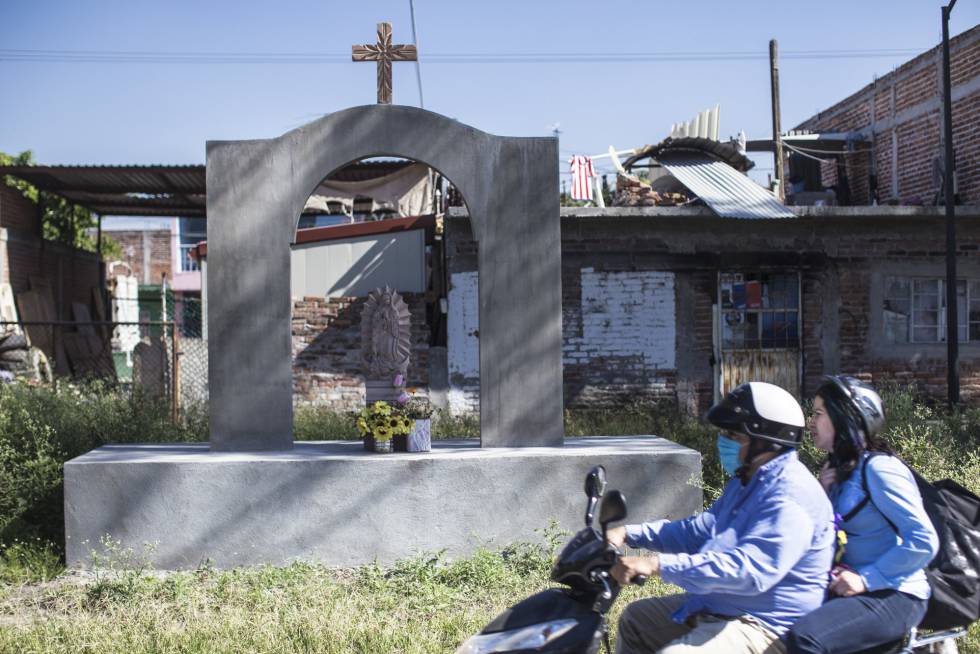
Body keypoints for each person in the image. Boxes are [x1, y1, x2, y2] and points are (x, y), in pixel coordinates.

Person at [609, 381, 835, 654]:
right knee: (638, 620)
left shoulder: (789, 495)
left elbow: (749, 570)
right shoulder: (747, 481)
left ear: (766, 441)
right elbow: (699, 532)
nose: (723, 441)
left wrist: (658, 565)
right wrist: (629, 534)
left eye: (734, 434)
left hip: (767, 626)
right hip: (723, 606)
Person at [785, 376, 939, 654]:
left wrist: (867, 578)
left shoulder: (880, 469)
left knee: (805, 638)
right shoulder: (837, 471)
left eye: (819, 413)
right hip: (850, 587)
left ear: (844, 419)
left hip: (895, 592)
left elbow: (924, 540)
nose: (811, 422)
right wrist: (822, 493)